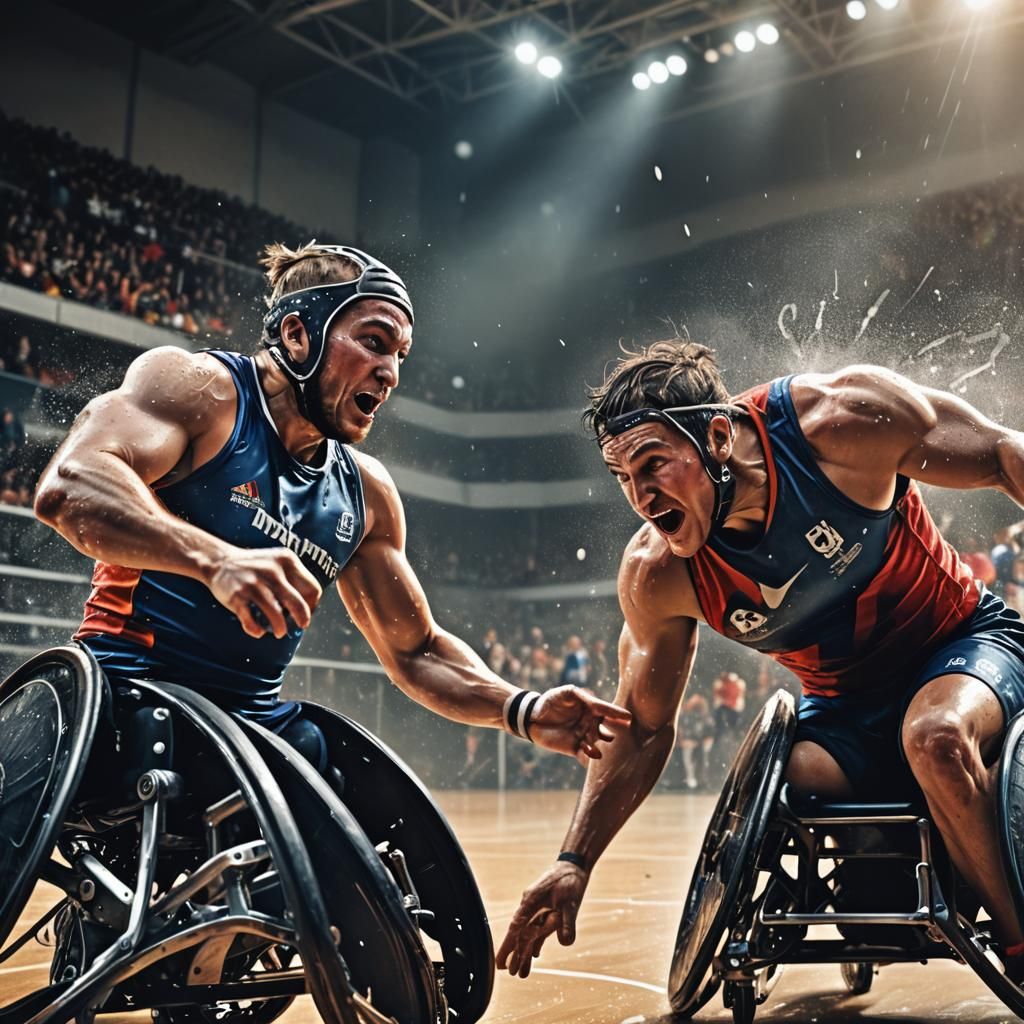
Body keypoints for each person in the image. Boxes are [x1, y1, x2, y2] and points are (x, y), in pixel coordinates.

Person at [497, 339, 1024, 979]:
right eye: (624, 479)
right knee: (782, 786)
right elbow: (641, 727)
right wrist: (573, 860)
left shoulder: (838, 422)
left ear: (718, 437)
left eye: (653, 465)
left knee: (934, 735)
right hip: (845, 707)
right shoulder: (658, 572)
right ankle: (903, 866)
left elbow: (1004, 454)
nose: (640, 496)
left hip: (963, 642)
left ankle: (1020, 947)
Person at [34, 241, 630, 775]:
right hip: (127, 695)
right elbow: (69, 484)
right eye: (373, 343)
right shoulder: (199, 390)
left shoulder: (366, 496)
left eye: (400, 355)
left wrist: (520, 708)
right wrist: (215, 560)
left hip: (247, 730)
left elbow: (415, 650)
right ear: (298, 335)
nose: (390, 373)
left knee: (344, 782)